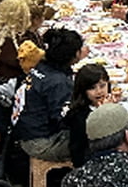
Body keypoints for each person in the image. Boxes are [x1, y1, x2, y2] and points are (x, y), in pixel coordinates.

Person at [13, 28, 85, 162]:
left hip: (25, 131)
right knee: (96, 138)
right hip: (39, 143)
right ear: (75, 54)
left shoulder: (41, 67)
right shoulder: (58, 83)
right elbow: (64, 119)